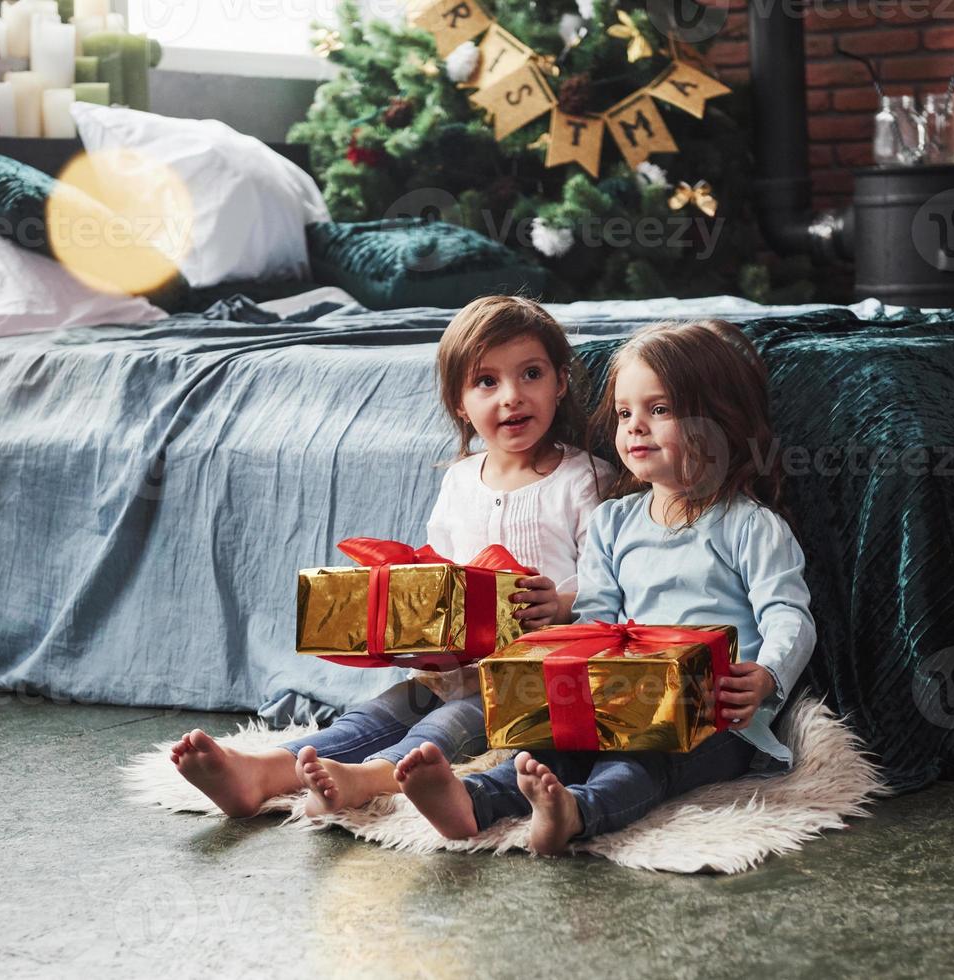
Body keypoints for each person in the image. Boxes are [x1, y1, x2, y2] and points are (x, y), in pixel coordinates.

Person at [170, 295, 611, 817]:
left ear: (560, 382)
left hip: (536, 674)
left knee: (455, 721)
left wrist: (560, 603)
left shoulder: (584, 479)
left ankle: (374, 778)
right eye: (486, 382)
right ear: (458, 403)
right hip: (457, 664)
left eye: (530, 374)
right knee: (382, 710)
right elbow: (442, 576)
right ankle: (262, 771)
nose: (511, 397)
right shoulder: (459, 480)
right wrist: (415, 632)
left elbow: (611, 580)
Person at [395, 319, 816, 855]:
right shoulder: (616, 522)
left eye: (658, 410)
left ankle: (577, 812)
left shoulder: (749, 525)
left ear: (720, 423)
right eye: (624, 414)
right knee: (552, 747)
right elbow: (595, 619)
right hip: (622, 697)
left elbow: (789, 615)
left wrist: (767, 676)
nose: (635, 427)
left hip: (716, 716)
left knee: (642, 760)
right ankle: (470, 800)